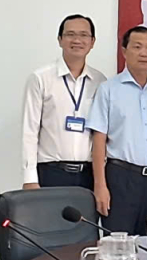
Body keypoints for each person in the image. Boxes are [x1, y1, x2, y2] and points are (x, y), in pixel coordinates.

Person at [87, 26, 147, 235]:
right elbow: (98, 141)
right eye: (137, 47)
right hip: (121, 179)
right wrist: (100, 186)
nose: (144, 53)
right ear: (124, 51)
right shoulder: (109, 89)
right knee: (118, 243)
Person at [21, 14, 106, 191]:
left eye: (83, 35)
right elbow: (30, 131)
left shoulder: (100, 81)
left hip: (88, 175)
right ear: (60, 39)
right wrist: (30, 178)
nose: (77, 40)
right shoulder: (41, 78)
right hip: (51, 172)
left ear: (92, 42)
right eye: (70, 34)